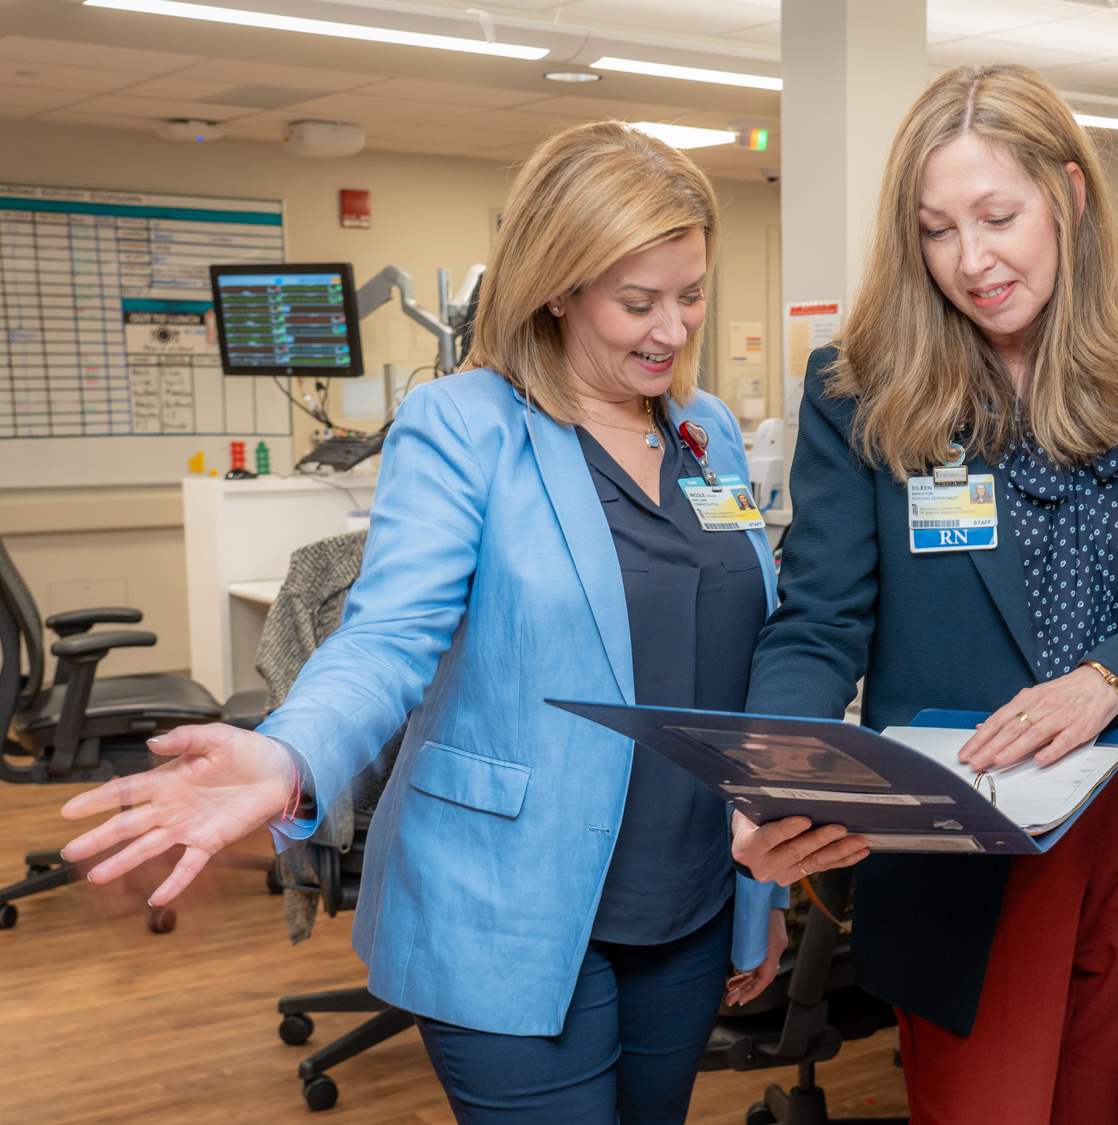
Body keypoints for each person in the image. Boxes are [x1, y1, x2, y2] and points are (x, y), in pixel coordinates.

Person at [56, 121, 865, 1124]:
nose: (671, 330)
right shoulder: (464, 424)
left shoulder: (710, 436)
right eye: (637, 302)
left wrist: (764, 901)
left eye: (690, 296)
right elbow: (387, 637)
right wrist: (287, 756)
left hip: (689, 898)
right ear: (560, 286)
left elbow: (741, 664)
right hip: (506, 901)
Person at [734, 63, 1118, 1125]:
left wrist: (1110, 680)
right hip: (960, 831)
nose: (970, 261)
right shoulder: (858, 385)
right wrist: (770, 776)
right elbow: (821, 618)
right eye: (935, 229)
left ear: (1069, 194)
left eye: (997, 216)